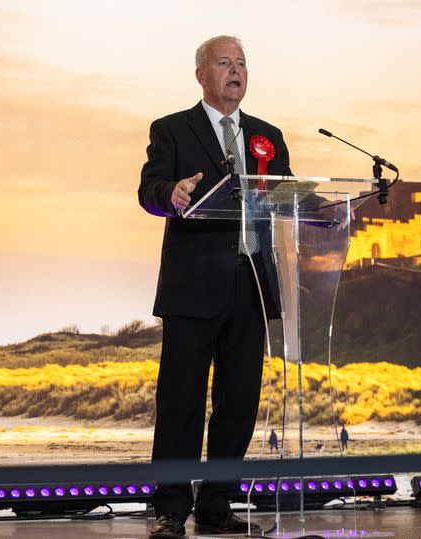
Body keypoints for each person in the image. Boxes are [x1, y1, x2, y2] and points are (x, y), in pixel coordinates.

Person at [138, 35, 292, 538]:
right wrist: (173, 195)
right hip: (193, 288)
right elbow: (150, 190)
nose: (236, 71)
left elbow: (288, 195)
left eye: (242, 64)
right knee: (181, 401)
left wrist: (308, 207)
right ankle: (171, 509)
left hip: (251, 284)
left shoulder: (267, 135)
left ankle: (216, 504)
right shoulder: (173, 130)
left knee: (240, 400)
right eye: (224, 63)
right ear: (201, 74)